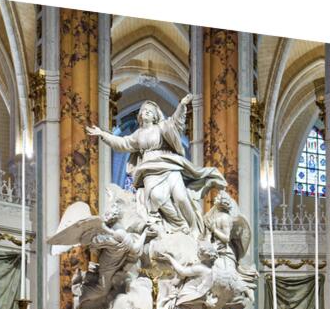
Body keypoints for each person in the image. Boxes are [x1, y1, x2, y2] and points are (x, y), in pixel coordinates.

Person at [86, 95, 226, 236]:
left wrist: (182, 105)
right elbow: (122, 143)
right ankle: (179, 223)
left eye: (150, 111)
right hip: (149, 169)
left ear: (155, 116)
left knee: (181, 198)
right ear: (140, 115)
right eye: (144, 110)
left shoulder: (162, 127)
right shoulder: (138, 134)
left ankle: (194, 228)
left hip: (168, 165)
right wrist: (102, 134)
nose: (146, 112)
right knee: (157, 197)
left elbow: (175, 121)